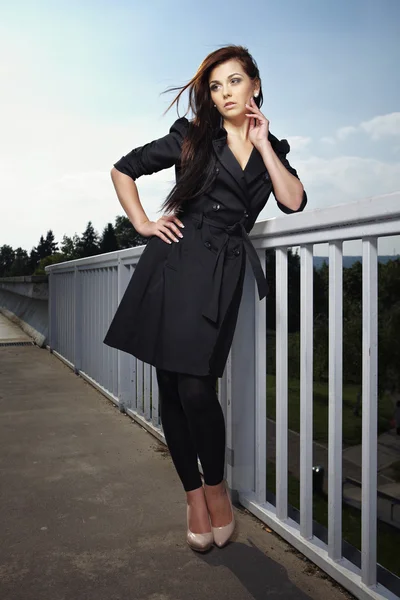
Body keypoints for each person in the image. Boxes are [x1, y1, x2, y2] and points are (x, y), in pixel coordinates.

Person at [103, 45, 307, 552]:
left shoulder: (271, 146)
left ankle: (215, 487)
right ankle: (195, 496)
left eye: (234, 82)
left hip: (222, 272)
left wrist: (262, 145)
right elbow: (123, 169)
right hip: (172, 264)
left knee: (197, 388)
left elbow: (293, 200)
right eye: (216, 87)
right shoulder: (191, 138)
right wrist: (144, 223)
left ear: (254, 85)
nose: (225, 93)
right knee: (172, 385)